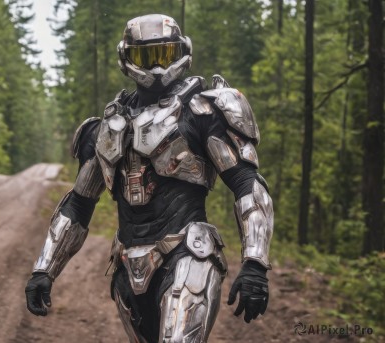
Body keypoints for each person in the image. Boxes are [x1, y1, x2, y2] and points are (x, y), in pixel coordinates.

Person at [25, 14, 273, 343]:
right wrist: (44, 269)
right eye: (146, 57)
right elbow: (80, 203)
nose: (156, 68)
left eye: (164, 55)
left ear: (181, 53)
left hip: (189, 255)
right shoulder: (107, 127)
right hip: (128, 266)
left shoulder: (204, 113)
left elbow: (248, 184)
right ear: (127, 59)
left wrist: (255, 262)